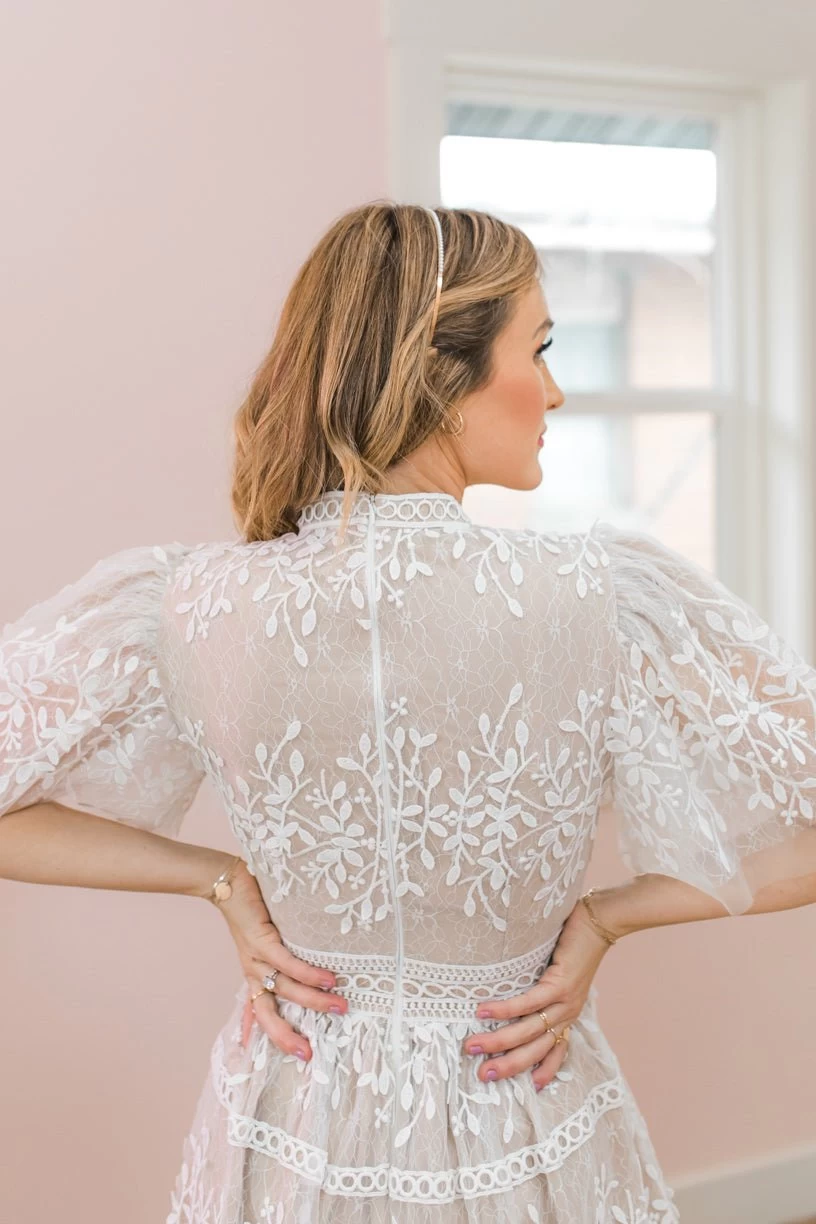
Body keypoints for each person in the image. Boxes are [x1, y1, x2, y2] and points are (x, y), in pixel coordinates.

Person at [2, 202, 815, 1224]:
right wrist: (607, 918)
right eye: (540, 349)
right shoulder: (603, 595)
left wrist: (222, 882)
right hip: (521, 1107)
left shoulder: (187, 600)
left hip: (291, 1116)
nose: (556, 390)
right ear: (439, 375)